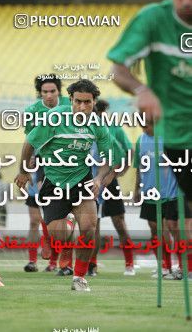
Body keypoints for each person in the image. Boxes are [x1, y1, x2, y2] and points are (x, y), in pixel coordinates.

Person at [107, 0, 192, 272]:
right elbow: (118, 69)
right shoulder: (153, 19)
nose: (187, 0)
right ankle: (175, 266)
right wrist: (142, 90)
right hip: (178, 136)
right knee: (170, 223)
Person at [15, 79, 125, 291]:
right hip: (54, 182)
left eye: (87, 102)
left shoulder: (98, 125)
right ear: (71, 100)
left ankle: (80, 277)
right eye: (78, 102)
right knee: (61, 237)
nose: (82, 107)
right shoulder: (55, 118)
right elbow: (29, 143)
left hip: (81, 180)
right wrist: (22, 171)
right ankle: (66, 222)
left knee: (89, 228)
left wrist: (99, 178)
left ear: (94, 102)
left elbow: (106, 159)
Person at [24, 73, 73, 274]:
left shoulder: (69, 109)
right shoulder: (32, 112)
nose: (49, 95)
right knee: (37, 218)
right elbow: (29, 141)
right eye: (45, 92)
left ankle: (59, 262)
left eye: (53, 91)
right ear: (40, 93)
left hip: (64, 167)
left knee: (58, 219)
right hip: (39, 167)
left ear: (59, 91)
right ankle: (33, 261)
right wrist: (27, 165)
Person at [134, 119, 191, 279]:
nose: (144, 129)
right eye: (142, 126)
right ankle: (165, 266)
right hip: (150, 192)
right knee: (155, 230)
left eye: (147, 126)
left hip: (171, 192)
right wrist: (137, 187)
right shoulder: (141, 140)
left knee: (172, 229)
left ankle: (182, 266)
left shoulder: (169, 139)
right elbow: (139, 166)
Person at [88, 100, 135, 276]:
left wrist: (117, 173)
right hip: (91, 181)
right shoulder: (86, 129)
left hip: (108, 180)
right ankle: (92, 265)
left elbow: (128, 150)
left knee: (119, 223)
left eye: (101, 114)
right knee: (93, 224)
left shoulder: (113, 128)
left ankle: (129, 263)